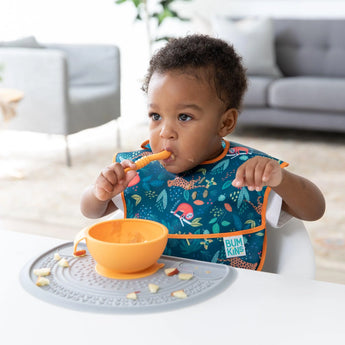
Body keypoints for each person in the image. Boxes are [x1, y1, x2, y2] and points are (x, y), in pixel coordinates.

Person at [81, 34, 325, 270]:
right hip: (150, 294)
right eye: (156, 116)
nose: (165, 132)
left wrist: (280, 179)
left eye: (184, 117)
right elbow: (91, 211)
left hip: (229, 297)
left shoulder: (249, 172)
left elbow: (314, 210)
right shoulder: (135, 171)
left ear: (225, 124)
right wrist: (99, 192)